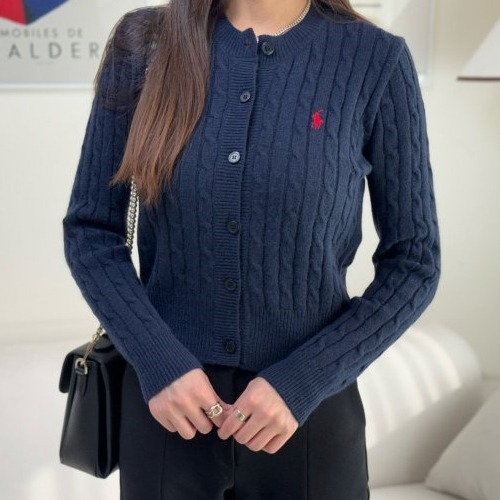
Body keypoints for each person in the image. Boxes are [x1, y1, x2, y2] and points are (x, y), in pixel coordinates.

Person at [62, 0, 440, 498]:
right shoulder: (145, 44)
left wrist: (304, 379)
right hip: (168, 417)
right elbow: (91, 231)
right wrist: (160, 363)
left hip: (308, 418)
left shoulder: (375, 59)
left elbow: (414, 262)